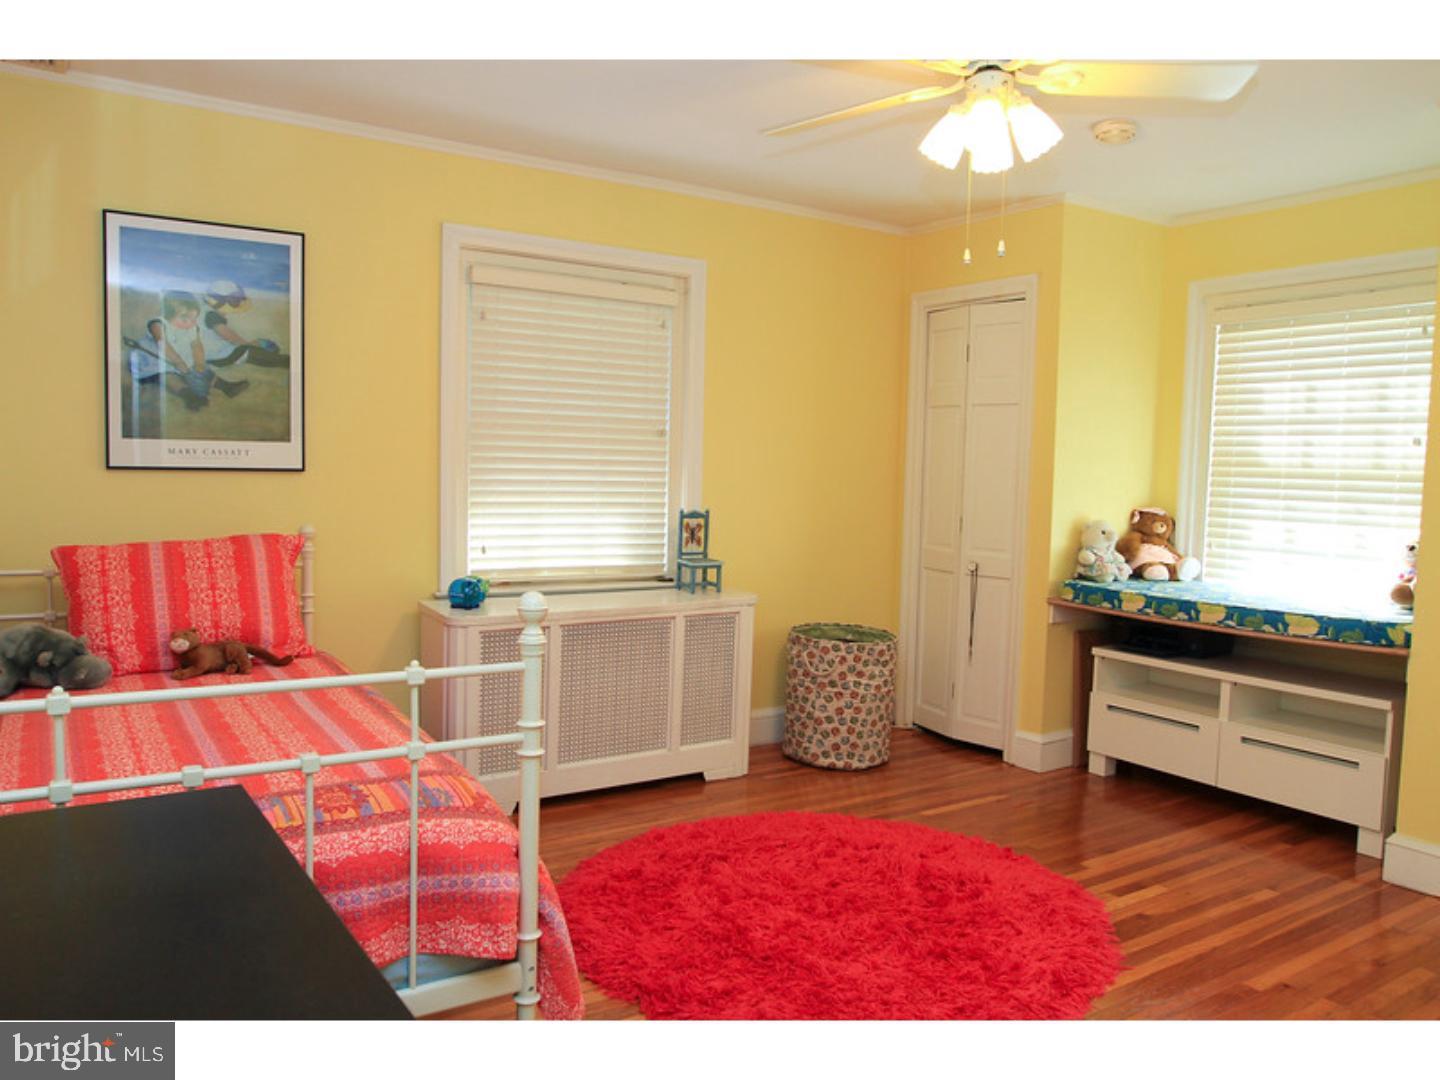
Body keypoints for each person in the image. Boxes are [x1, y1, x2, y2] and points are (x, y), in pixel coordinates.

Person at [124, 290, 248, 410]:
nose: (191, 323)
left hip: (179, 356)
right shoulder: (157, 325)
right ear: (167, 314)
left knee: (202, 370)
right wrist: (179, 363)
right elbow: (164, 345)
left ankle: (226, 387)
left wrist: (199, 364)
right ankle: (189, 396)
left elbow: (196, 345)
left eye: (194, 318)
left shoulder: (192, 326)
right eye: (185, 319)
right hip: (152, 361)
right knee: (169, 377)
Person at [200, 280, 290, 369]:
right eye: (235, 302)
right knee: (253, 352)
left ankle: (269, 354)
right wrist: (248, 344)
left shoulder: (209, 313)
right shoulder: (212, 315)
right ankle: (285, 360)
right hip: (220, 355)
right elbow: (228, 335)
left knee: (255, 348)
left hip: (218, 354)